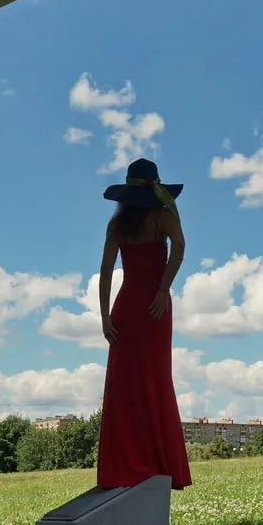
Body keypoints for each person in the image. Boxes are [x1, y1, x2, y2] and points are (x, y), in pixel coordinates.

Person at [96, 158, 193, 491]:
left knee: (124, 388)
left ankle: (124, 466)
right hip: (155, 308)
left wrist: (105, 315)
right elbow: (180, 247)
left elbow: (106, 271)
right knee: (154, 381)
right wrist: (164, 288)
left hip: (126, 309)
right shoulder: (163, 217)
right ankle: (157, 463)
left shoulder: (117, 225)